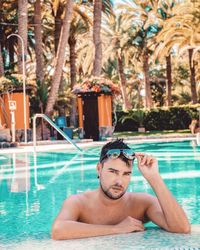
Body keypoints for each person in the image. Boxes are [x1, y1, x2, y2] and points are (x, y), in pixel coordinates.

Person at [51, 139, 190, 240]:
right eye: (113, 172)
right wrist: (117, 229)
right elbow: (58, 230)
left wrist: (154, 178)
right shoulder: (78, 203)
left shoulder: (141, 204)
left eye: (126, 174)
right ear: (99, 169)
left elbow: (181, 228)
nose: (119, 181)